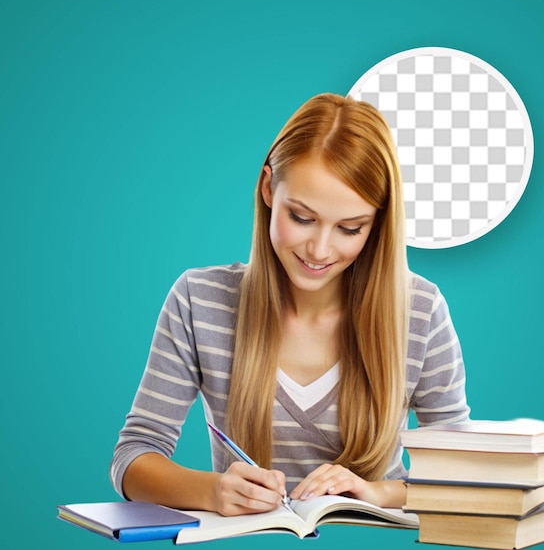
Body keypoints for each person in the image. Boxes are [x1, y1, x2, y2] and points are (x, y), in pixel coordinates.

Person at [110, 92, 470, 517]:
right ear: (267, 188)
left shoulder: (420, 311)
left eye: (350, 228)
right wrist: (212, 492)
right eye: (301, 217)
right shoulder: (198, 300)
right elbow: (133, 456)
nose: (319, 249)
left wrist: (377, 493)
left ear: (377, 224)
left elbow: (463, 476)